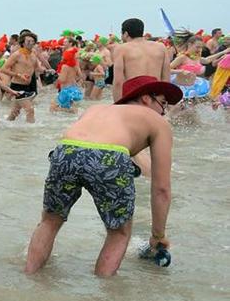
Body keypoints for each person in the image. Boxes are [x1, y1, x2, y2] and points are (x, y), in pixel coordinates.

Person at [24, 76, 179, 277]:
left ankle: (29, 277)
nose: (164, 111)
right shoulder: (157, 122)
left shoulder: (96, 109)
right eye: (163, 103)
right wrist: (158, 236)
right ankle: (103, 295)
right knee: (119, 233)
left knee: (49, 222)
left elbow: (89, 144)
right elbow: (161, 188)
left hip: (65, 150)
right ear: (146, 99)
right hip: (109, 157)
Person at [112, 18, 170, 99]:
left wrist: (117, 105)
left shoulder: (121, 49)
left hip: (134, 95)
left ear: (125, 34)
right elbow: (166, 78)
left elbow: (118, 82)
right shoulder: (161, 47)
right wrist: (162, 101)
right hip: (155, 96)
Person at [0, 32, 41, 123]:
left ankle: (4, 127)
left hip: (29, 86)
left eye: (32, 41)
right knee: (30, 110)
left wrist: (48, 71)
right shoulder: (16, 54)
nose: (30, 43)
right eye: (28, 41)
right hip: (17, 85)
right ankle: (30, 133)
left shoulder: (33, 55)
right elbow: (3, 69)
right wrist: (18, 75)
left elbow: (38, 68)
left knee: (15, 112)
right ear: (22, 42)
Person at [51, 47, 84, 113]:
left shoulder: (65, 66)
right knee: (69, 106)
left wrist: (57, 78)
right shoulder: (75, 66)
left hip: (66, 90)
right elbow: (80, 76)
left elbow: (62, 79)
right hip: (74, 89)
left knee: (53, 107)